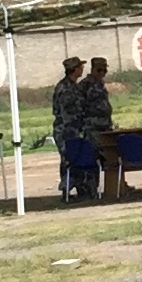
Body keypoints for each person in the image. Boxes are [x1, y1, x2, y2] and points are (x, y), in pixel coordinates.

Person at [49, 57, 95, 200]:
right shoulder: (65, 88)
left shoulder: (74, 86)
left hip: (74, 128)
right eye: (80, 67)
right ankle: (66, 191)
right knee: (67, 159)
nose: (82, 69)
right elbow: (64, 111)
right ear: (74, 69)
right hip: (65, 129)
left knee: (77, 158)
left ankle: (81, 188)